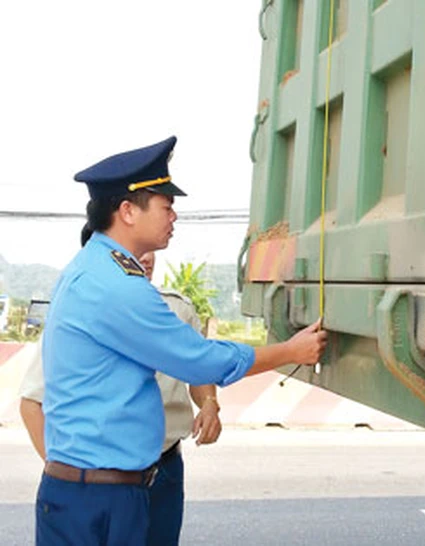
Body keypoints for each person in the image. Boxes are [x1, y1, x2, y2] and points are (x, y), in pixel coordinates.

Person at [36, 135, 326, 546]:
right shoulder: (116, 286)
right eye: (166, 206)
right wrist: (290, 351)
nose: (174, 217)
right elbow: (200, 361)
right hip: (99, 501)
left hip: (90, 492)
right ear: (127, 211)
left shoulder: (93, 268)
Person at [20, 248, 224, 546]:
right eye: (132, 246)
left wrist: (209, 403)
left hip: (164, 469)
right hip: (98, 480)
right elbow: (31, 403)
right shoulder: (79, 309)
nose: (145, 257)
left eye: (149, 247)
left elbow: (199, 365)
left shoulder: (177, 309)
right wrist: (68, 475)